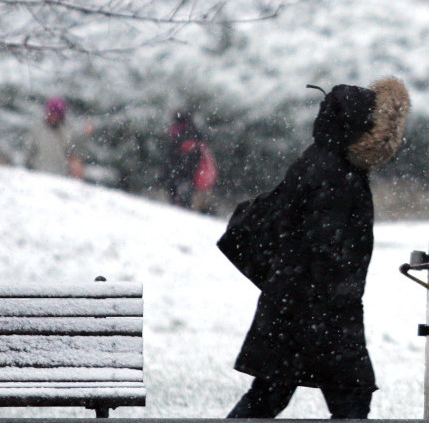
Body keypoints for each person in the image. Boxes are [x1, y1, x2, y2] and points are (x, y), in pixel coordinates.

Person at [218, 77, 410, 419]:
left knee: (270, 395)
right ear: (356, 127)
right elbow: (325, 249)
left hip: (294, 309)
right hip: (320, 313)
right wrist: (338, 300)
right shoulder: (335, 173)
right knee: (349, 398)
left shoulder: (323, 162)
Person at [163, 109, 217, 211]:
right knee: (187, 203)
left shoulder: (182, 135)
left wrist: (171, 174)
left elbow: (178, 159)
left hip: (184, 176)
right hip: (190, 177)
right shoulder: (195, 134)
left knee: (182, 202)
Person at [25, 97, 84, 178]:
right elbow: (28, 154)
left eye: (57, 114)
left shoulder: (67, 133)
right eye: (52, 113)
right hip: (38, 176)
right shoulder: (37, 131)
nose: (54, 117)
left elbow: (74, 156)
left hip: (61, 178)